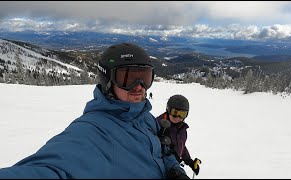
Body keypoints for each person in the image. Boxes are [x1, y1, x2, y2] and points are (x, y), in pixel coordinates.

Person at [0, 43, 189, 179]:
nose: (139, 87)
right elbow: (54, 167)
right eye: (127, 78)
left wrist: (174, 169)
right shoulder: (92, 130)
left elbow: (163, 150)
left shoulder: (145, 118)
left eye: (145, 78)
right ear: (107, 82)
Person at [156, 94, 201, 176]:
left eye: (182, 114)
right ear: (168, 110)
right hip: (160, 170)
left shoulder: (182, 129)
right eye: (175, 112)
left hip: (175, 168)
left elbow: (181, 146)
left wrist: (189, 161)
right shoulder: (158, 126)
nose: (178, 117)